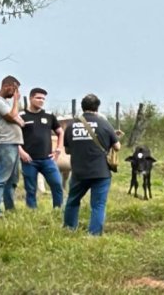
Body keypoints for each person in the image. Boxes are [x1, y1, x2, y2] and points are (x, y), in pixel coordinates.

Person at [63, 94, 121, 235]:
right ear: (97, 107)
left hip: (79, 172)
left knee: (72, 201)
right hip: (101, 172)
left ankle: (70, 229)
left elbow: (67, 150)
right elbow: (117, 147)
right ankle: (94, 234)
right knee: (98, 205)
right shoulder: (104, 123)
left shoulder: (71, 126)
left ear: (82, 107)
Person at [19, 87, 65, 209]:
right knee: (31, 188)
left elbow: (60, 132)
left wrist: (58, 149)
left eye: (43, 99)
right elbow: (14, 136)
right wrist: (21, 152)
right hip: (29, 160)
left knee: (57, 184)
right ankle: (32, 212)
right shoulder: (21, 116)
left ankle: (58, 209)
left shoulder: (49, 115)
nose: (41, 101)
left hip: (47, 159)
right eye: (38, 98)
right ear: (30, 98)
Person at [0, 76, 25, 218]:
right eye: (14, 89)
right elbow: (12, 116)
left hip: (13, 143)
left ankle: (10, 208)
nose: (16, 92)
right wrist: (16, 100)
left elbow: (19, 120)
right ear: (6, 86)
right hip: (4, 143)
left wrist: (17, 119)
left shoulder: (4, 102)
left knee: (13, 179)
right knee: (2, 177)